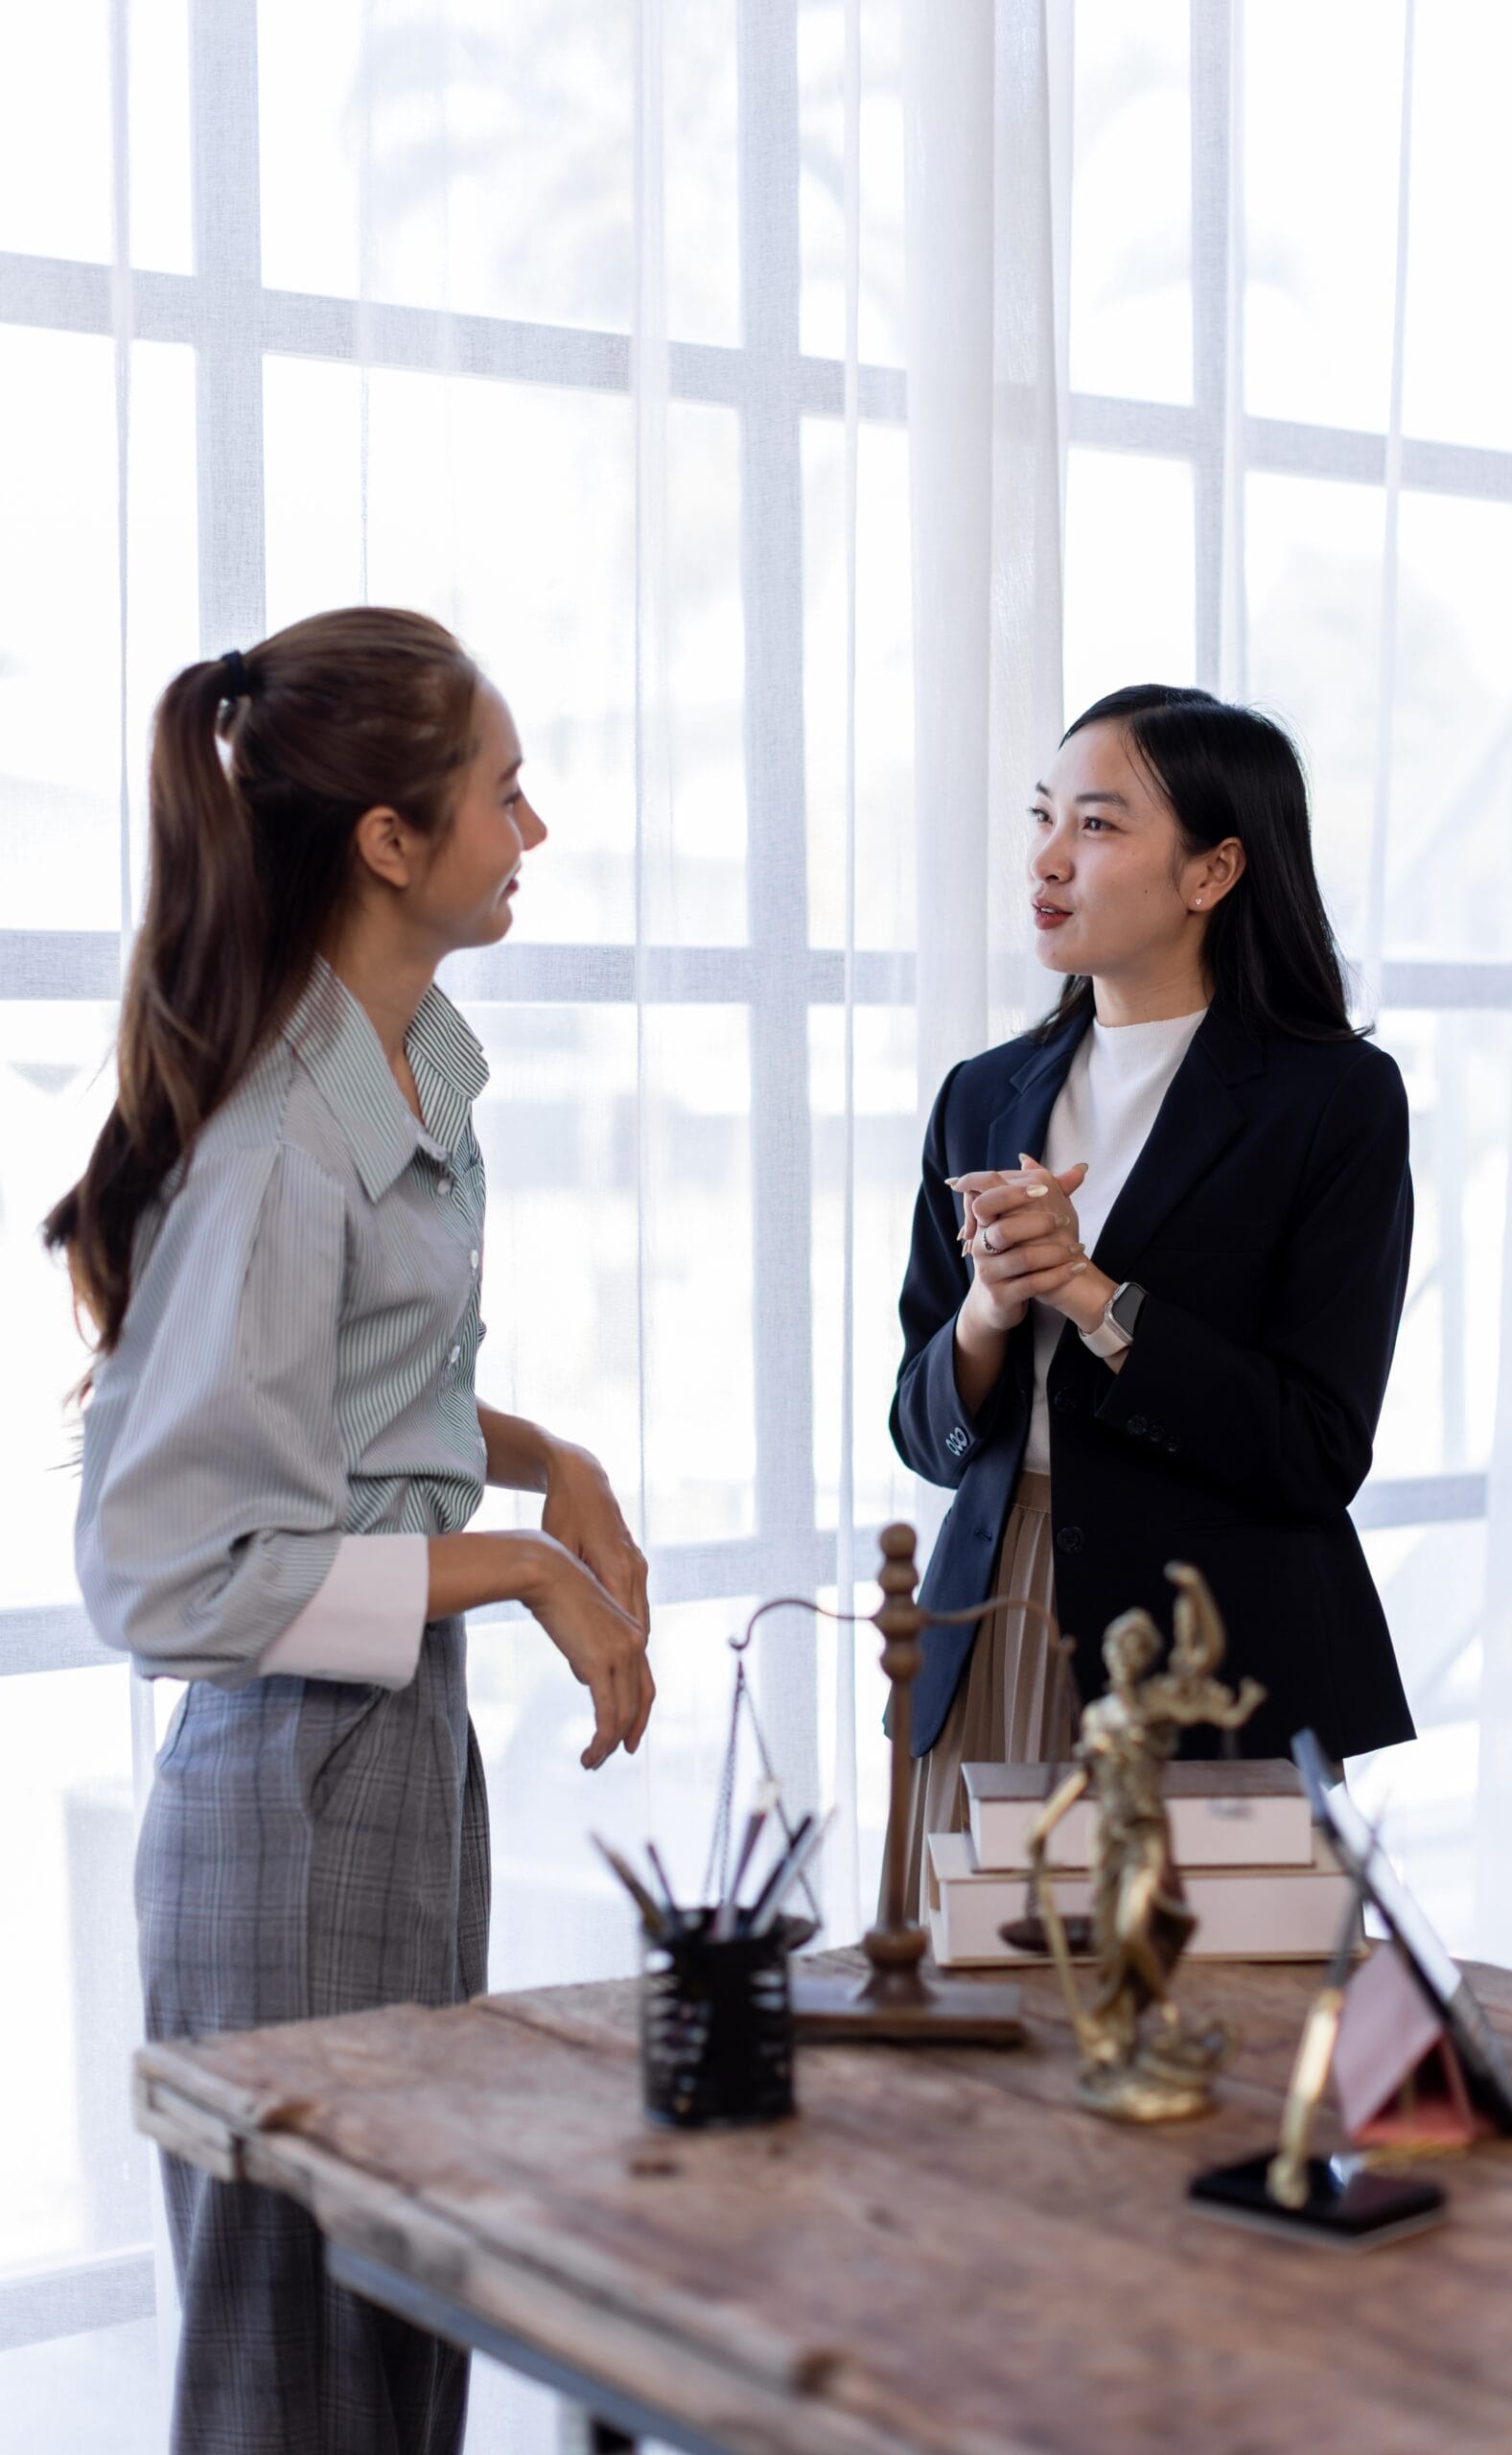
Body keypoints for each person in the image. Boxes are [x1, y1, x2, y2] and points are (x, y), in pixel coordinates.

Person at [44, 609, 654, 2455]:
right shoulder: (276, 1149)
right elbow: (168, 1576)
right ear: (389, 840)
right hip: (286, 1800)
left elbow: (355, 1421)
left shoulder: (405, 1083)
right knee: (296, 2371)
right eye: (502, 794)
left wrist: (556, 1467)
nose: (530, 834)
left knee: (399, 2337)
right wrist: (529, 1569)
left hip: (391, 1772)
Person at [890, 684, 1415, 1908]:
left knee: (1213, 2055)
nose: (1048, 858)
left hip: (1210, 1652)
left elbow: (1315, 1448)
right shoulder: (983, 1093)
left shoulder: (1334, 1100)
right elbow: (924, 1433)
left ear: (1212, 871)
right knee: (974, 2060)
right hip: (994, 1618)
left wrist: (1090, 1293)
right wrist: (988, 1308)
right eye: (1042, 818)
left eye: (1098, 825)